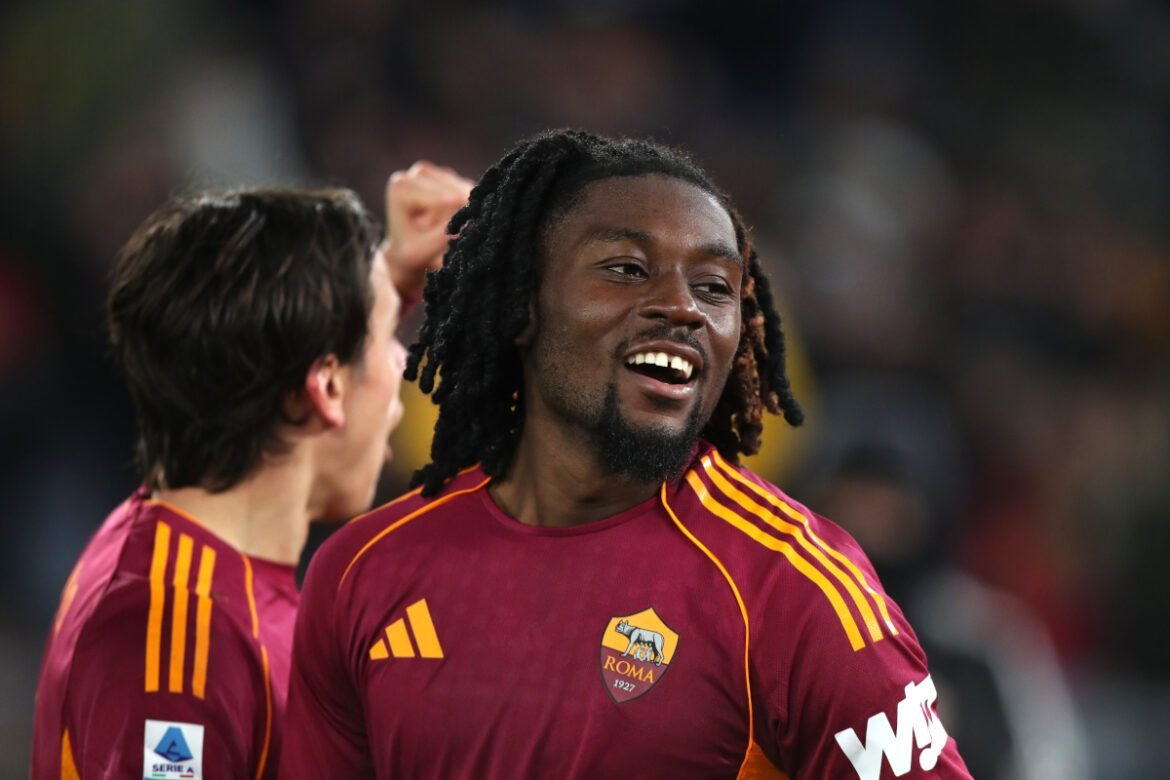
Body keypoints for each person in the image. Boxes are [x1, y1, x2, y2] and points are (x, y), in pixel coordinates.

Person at [280, 129, 973, 778]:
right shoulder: (362, 572)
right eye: (627, 269)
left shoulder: (795, 589)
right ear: (523, 306)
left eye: (714, 287)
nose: (683, 307)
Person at [30, 163, 473, 779]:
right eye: (387, 340)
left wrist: (391, 274)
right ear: (325, 386)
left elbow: (267, 347)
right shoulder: (175, 656)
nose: (401, 368)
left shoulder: (182, 564)